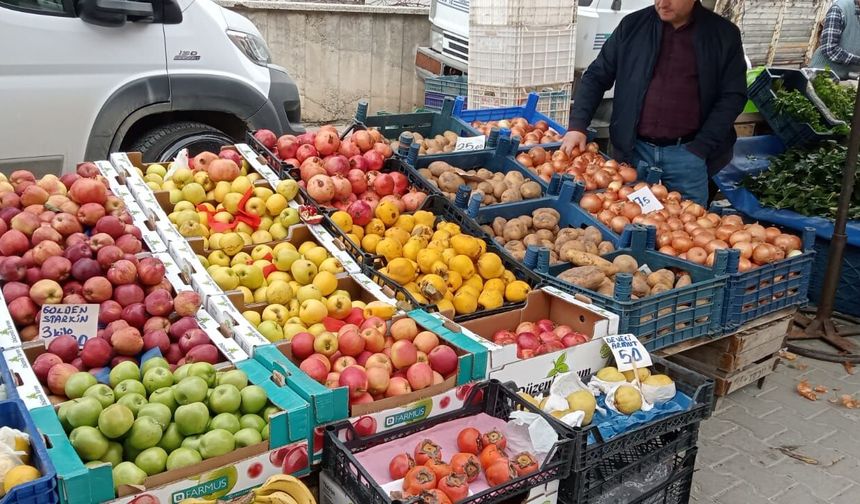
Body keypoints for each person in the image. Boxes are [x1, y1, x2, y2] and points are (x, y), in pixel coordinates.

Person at [561, 0, 747, 206]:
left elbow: (733, 96)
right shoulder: (632, 25)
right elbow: (597, 76)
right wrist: (578, 125)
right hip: (634, 151)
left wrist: (701, 147)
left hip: (688, 156)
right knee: (624, 219)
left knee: (686, 227)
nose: (662, 3)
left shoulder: (723, 35)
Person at [810, 0, 860, 79]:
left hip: (848, 77)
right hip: (823, 75)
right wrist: (857, 60)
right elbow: (830, 49)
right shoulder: (839, 9)